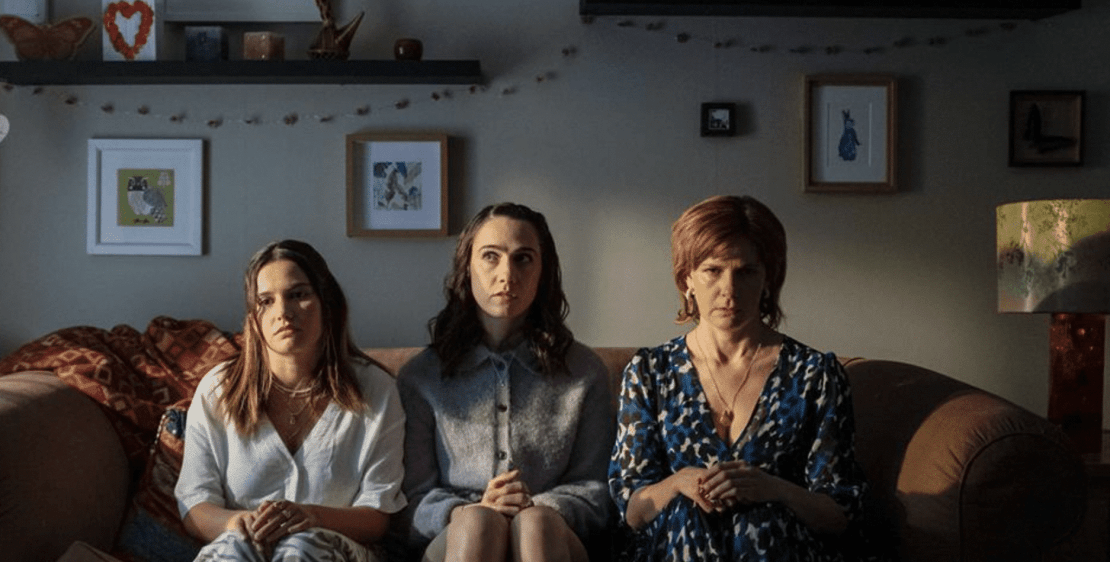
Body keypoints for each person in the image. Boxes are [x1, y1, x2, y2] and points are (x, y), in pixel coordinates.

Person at [608, 195, 872, 561]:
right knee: (687, 511)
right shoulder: (650, 373)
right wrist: (679, 482)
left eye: (746, 272)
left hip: (778, 545)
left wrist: (773, 488)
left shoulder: (816, 376)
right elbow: (632, 512)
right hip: (677, 546)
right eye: (713, 270)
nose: (729, 290)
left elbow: (840, 513)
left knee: (760, 520)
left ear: (768, 279)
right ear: (687, 279)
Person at [398, 202, 615, 562]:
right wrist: (472, 510)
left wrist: (533, 506)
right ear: (466, 267)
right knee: (479, 524)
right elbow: (410, 500)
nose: (507, 274)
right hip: (455, 536)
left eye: (523, 258)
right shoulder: (421, 376)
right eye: (490, 257)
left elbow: (597, 490)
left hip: (554, 532)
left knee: (535, 525)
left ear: (543, 272)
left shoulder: (584, 371)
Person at [175, 239, 406, 561]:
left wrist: (313, 516)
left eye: (298, 295)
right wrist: (240, 522)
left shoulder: (376, 390)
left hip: (337, 548)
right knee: (234, 548)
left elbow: (378, 516)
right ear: (253, 317)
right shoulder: (218, 390)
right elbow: (195, 504)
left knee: (301, 547)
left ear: (327, 302)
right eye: (265, 301)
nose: (283, 312)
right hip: (241, 547)